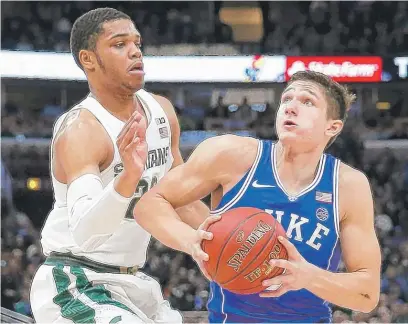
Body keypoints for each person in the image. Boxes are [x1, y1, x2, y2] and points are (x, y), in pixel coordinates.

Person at [135, 70, 382, 323]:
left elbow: (366, 294)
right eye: (287, 99)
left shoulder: (348, 185)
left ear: (333, 126)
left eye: (307, 101)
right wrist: (191, 242)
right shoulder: (231, 155)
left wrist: (308, 277)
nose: (291, 107)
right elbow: (149, 204)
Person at [29, 7, 208, 323]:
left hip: (135, 282)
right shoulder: (82, 131)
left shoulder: (162, 111)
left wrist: (232, 241)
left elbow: (185, 203)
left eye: (137, 43)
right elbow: (86, 233)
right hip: (75, 279)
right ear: (88, 59)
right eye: (119, 44)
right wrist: (129, 176)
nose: (135, 52)